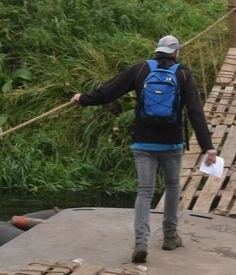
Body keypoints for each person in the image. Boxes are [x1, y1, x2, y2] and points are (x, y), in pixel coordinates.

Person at [72, 35, 218, 263]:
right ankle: (170, 236)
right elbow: (195, 112)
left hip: (143, 142)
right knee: (172, 187)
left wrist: (83, 99)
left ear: (157, 51)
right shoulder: (183, 74)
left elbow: (109, 91)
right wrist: (207, 146)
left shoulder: (140, 69)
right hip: (171, 143)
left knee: (145, 192)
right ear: (176, 53)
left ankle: (141, 242)